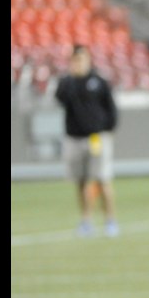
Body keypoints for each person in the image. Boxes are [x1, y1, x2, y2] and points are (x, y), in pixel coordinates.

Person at [54, 44, 119, 237]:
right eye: (76, 60)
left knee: (102, 178)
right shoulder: (67, 82)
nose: (79, 63)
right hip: (74, 137)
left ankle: (110, 220)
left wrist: (107, 129)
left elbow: (111, 108)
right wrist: (72, 79)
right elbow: (60, 99)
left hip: (96, 137)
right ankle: (86, 220)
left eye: (82, 59)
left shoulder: (98, 81)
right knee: (80, 180)